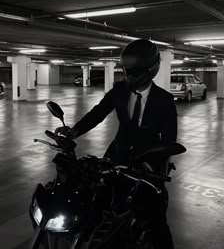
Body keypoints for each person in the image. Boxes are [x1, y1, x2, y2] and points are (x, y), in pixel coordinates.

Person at [56, 38, 177, 248]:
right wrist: (74, 131)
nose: (128, 77)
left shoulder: (164, 100)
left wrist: (157, 168)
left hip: (148, 164)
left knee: (155, 215)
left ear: (150, 70)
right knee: (97, 201)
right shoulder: (119, 91)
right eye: (126, 71)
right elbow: (98, 113)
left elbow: (168, 139)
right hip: (116, 156)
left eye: (134, 73)